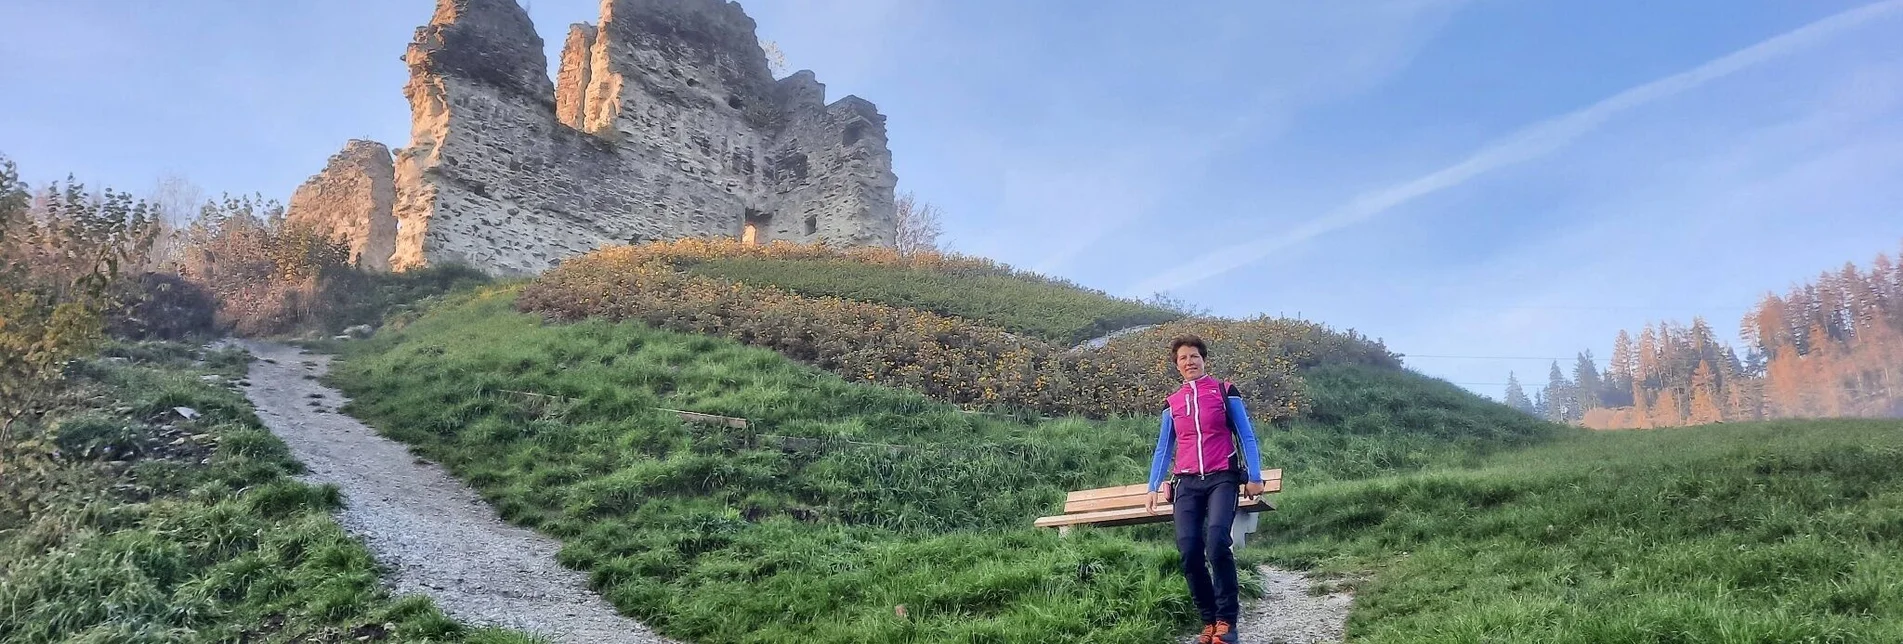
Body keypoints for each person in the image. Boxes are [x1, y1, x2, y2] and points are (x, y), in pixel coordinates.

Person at [1145, 334, 1265, 644]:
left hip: (1222, 477)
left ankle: (1227, 621)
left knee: (1216, 543)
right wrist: (1153, 486)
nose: (1189, 361)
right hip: (1186, 482)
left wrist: (1254, 475)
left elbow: (1247, 436)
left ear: (1204, 359)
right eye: (1183, 358)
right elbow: (1163, 447)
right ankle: (1209, 621)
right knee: (1188, 551)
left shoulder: (1225, 391)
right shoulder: (1172, 403)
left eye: (1194, 356)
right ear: (1177, 365)